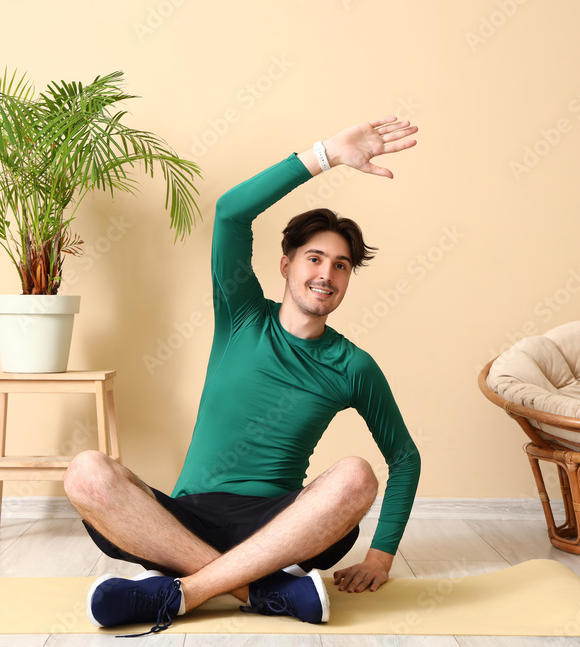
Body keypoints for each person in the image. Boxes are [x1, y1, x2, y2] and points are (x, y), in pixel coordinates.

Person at [63, 116, 421, 636]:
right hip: (183, 521)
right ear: (285, 264)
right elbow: (231, 213)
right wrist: (327, 154)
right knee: (86, 472)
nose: (326, 274)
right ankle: (261, 592)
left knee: (356, 475)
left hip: (281, 528)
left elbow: (404, 458)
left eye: (341, 266)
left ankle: (183, 592)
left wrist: (381, 559)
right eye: (315, 258)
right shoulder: (242, 315)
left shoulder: (353, 365)